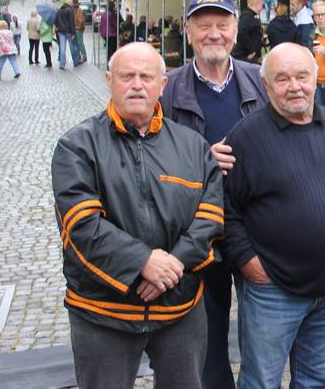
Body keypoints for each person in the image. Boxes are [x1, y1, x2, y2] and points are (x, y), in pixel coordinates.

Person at [52, 43, 222, 388]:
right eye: (126, 76)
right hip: (103, 313)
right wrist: (143, 262)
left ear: (163, 84)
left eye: (147, 76)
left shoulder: (193, 146)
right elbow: (81, 226)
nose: (137, 85)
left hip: (180, 309)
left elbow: (211, 216)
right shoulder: (77, 146)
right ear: (109, 81)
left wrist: (170, 265)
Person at [222, 43, 325, 389]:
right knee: (261, 381)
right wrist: (247, 260)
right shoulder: (245, 138)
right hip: (274, 288)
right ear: (266, 86)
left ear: (315, 78)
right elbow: (224, 208)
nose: (295, 86)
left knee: (314, 381)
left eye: (302, 76)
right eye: (282, 79)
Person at [159, 0, 269, 389]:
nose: (214, 34)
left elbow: (296, 125)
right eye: (204, 25)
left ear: (235, 30)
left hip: (256, 230)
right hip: (197, 234)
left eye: (222, 25)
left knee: (263, 335)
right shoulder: (167, 89)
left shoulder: (261, 80)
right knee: (207, 339)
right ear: (188, 32)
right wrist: (198, 157)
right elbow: (144, 157)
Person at [233, 0, 264, 64]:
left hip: (250, 56)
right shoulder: (247, 16)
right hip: (247, 56)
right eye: (262, 5)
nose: (262, 8)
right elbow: (242, 32)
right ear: (256, 4)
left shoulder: (250, 16)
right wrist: (251, 50)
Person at [55, 0, 81, 69]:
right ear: (69, 3)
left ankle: (62, 64)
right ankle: (75, 61)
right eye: (72, 3)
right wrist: (73, 33)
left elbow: (55, 21)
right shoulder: (70, 10)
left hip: (61, 32)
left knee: (62, 48)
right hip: (69, 32)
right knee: (72, 47)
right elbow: (72, 22)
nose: (72, 4)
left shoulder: (59, 10)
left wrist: (58, 27)